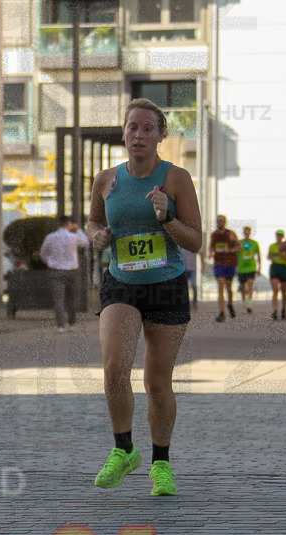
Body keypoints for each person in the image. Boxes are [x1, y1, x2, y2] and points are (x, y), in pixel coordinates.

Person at [85, 98, 202, 497]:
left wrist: (168, 216)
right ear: (123, 132)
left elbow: (196, 241)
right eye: (132, 127)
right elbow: (95, 221)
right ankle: (123, 449)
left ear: (160, 136)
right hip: (121, 281)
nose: (139, 135)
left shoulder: (177, 178)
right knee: (115, 365)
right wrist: (96, 236)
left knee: (157, 382)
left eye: (148, 128)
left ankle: (161, 464)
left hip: (167, 283)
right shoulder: (105, 180)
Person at [40, 215, 91, 332]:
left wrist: (49, 262)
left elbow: (43, 252)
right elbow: (86, 243)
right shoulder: (73, 237)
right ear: (69, 224)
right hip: (72, 271)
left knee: (58, 298)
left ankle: (60, 325)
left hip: (56, 270)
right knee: (71, 298)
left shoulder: (50, 237)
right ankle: (72, 324)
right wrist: (78, 230)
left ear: (59, 224)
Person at [209, 214, 240, 322]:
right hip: (218, 263)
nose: (219, 222)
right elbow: (212, 246)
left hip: (230, 263)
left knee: (228, 287)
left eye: (221, 221)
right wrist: (210, 253)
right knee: (221, 285)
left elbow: (239, 247)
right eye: (217, 221)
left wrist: (230, 250)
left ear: (225, 222)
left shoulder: (230, 234)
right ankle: (222, 313)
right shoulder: (214, 235)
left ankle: (230, 304)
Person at [235, 226, 261, 313]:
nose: (247, 233)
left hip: (251, 267)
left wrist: (259, 267)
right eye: (245, 232)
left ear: (250, 233)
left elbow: (258, 255)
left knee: (250, 285)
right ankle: (244, 302)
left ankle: (249, 303)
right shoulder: (240, 243)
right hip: (242, 268)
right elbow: (235, 254)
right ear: (243, 232)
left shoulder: (254, 243)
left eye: (248, 232)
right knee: (242, 287)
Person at [268, 228, 286, 320]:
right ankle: (275, 311)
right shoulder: (272, 246)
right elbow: (269, 256)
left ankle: (283, 310)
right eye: (277, 235)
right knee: (275, 290)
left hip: (285, 268)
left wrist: (282, 255)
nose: (278, 236)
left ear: (283, 236)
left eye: (280, 235)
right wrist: (273, 257)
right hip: (275, 267)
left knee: (284, 291)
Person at [179, 244, 200, 312]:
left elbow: (201, 253)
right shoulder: (180, 246)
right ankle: (187, 304)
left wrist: (203, 266)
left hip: (192, 269)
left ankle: (195, 303)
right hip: (184, 269)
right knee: (185, 287)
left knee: (194, 286)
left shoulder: (193, 245)